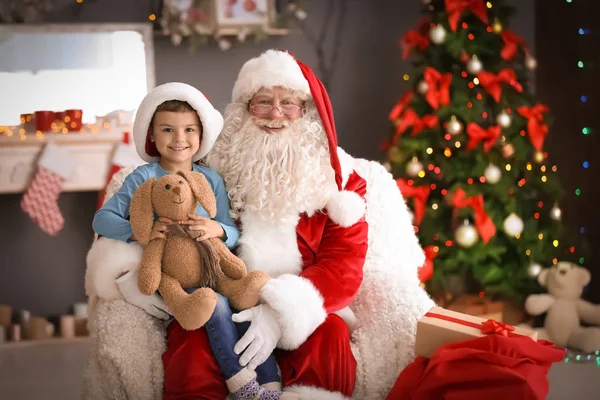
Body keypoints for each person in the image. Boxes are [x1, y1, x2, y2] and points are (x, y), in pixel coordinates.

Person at [162, 50, 370, 400]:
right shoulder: (214, 171)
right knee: (191, 336)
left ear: (307, 112)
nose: (276, 114)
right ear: (246, 109)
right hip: (229, 296)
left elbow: (344, 267)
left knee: (331, 334)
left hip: (304, 303)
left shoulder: (341, 182)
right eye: (263, 102)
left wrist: (278, 315)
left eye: (288, 103)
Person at [92, 82, 288, 399]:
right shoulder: (142, 178)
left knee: (242, 302)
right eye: (168, 129)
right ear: (152, 135)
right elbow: (102, 219)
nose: (180, 139)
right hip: (175, 272)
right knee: (218, 306)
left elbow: (230, 227)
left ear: (201, 135)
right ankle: (241, 384)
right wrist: (139, 231)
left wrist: (217, 230)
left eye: (189, 130)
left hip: (212, 265)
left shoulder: (210, 179)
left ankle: (269, 383)